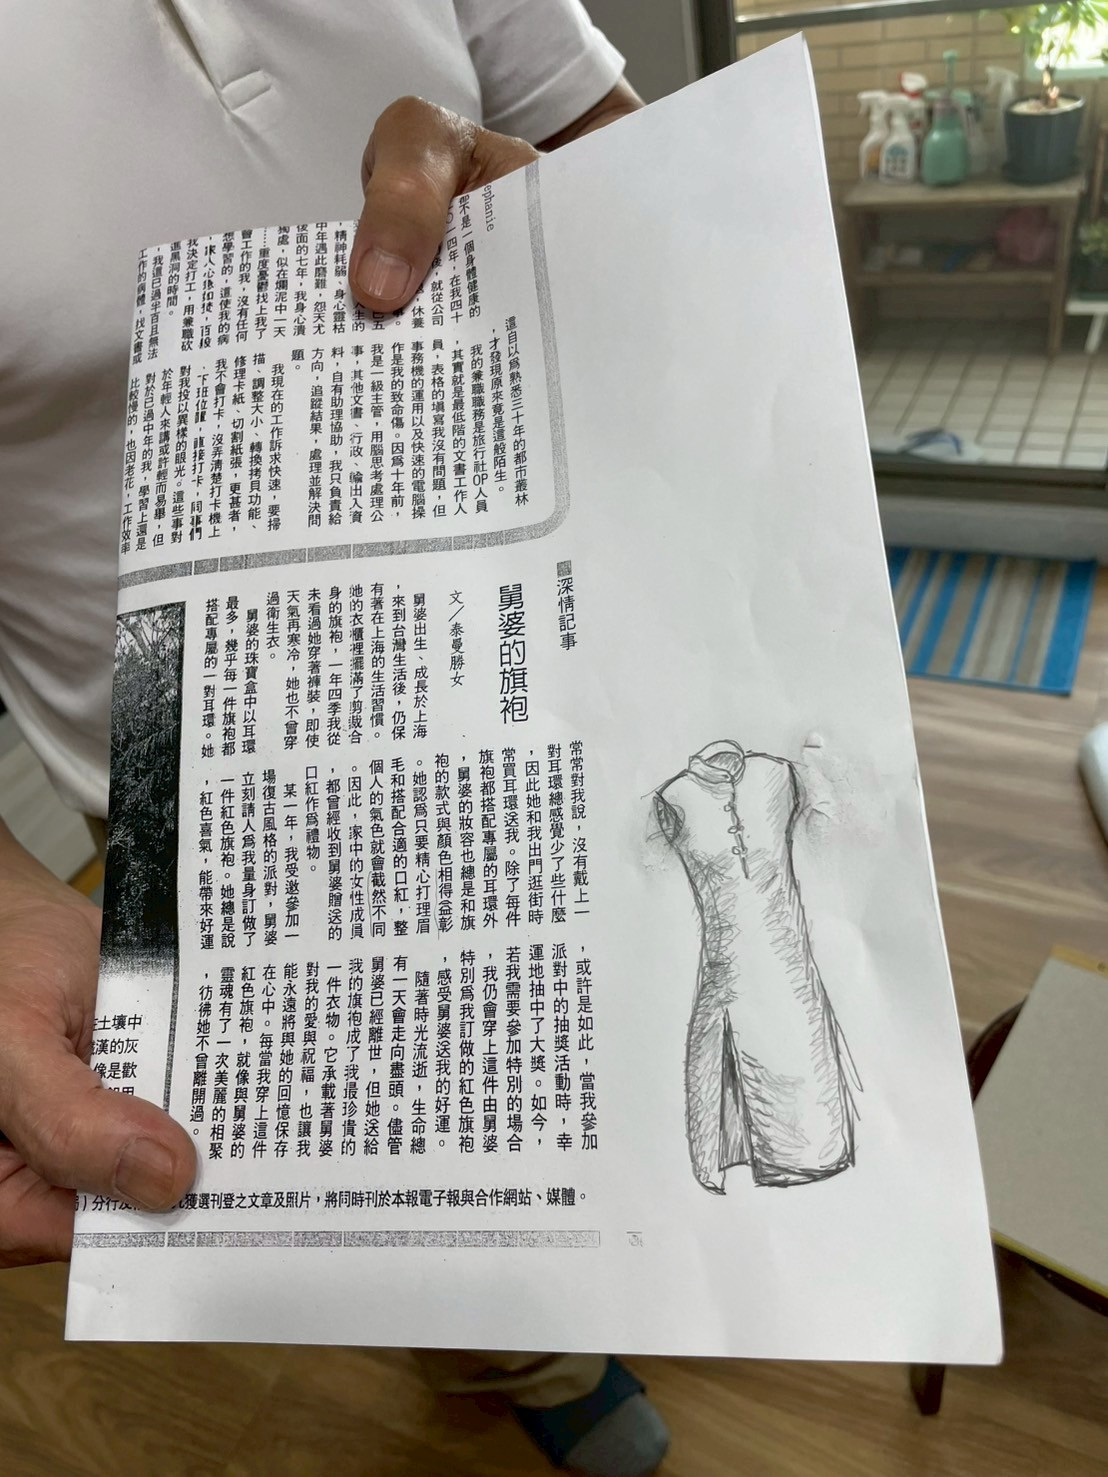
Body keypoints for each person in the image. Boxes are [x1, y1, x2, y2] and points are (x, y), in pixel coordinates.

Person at [0, 4, 668, 1473]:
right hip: (190, 774)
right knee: (400, 1135)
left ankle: (643, 1239)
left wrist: (593, 232)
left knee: (598, 1020)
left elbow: (647, 176)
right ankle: (515, 1350)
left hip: (544, 631)